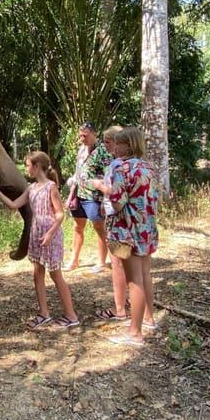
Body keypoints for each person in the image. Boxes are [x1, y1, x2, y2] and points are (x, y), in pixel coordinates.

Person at [0, 151, 80, 330]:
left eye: (28, 165)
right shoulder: (31, 188)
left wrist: (50, 233)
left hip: (49, 234)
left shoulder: (51, 187)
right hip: (36, 232)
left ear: (37, 167)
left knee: (55, 274)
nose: (26, 169)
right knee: (37, 273)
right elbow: (14, 205)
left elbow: (60, 214)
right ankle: (44, 313)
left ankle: (71, 315)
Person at [92, 126, 158, 346]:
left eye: (118, 144)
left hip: (126, 230)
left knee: (134, 281)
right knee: (145, 275)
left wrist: (102, 187)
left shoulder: (122, 169)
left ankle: (134, 333)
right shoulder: (149, 168)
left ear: (128, 145)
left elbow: (118, 202)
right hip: (146, 228)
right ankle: (149, 318)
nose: (115, 148)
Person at [90, 125, 131, 321]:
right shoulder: (135, 164)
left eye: (108, 141)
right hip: (126, 217)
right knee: (126, 261)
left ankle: (119, 309)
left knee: (117, 263)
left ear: (118, 143)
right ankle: (129, 300)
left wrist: (99, 186)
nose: (105, 145)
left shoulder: (117, 165)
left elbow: (116, 193)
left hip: (117, 218)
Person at [65, 122, 113, 273]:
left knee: (99, 227)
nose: (82, 138)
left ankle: (101, 262)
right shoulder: (81, 150)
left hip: (95, 196)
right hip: (79, 194)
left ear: (94, 134)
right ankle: (74, 260)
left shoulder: (102, 151)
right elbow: (79, 170)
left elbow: (109, 176)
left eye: (85, 135)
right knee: (77, 226)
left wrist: (105, 200)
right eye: (80, 135)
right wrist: (72, 183)